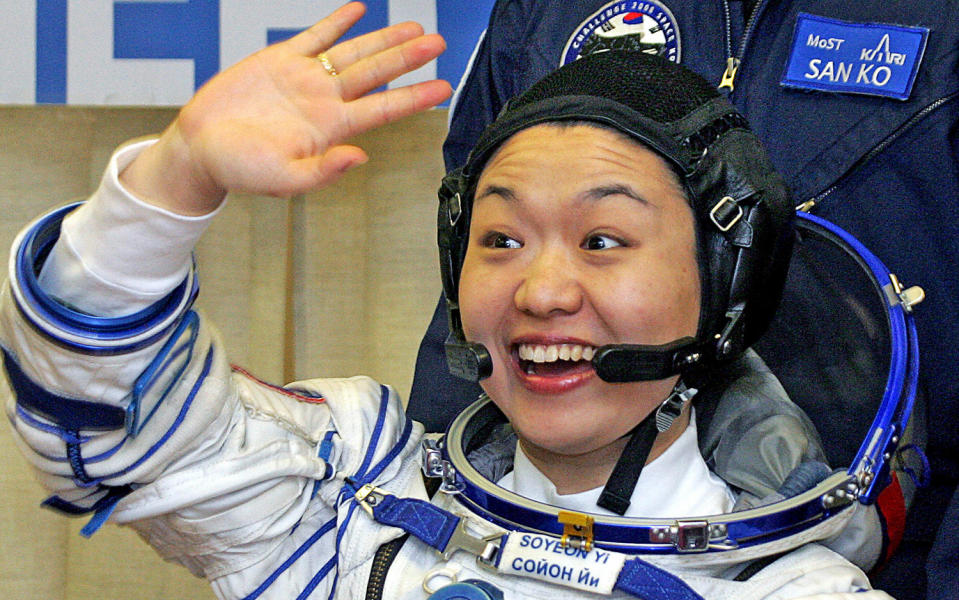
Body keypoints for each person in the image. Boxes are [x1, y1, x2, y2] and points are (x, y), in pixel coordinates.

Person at [1, 2, 898, 599]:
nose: (541, 292)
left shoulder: (792, 589)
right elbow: (113, 428)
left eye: (601, 242)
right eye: (499, 240)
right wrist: (175, 178)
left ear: (722, 286)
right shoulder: (352, 493)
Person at [406, 2, 959, 598]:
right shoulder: (544, 14)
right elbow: (478, 280)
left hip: (899, 541)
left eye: (601, 241)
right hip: (515, 517)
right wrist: (431, 517)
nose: (543, 292)